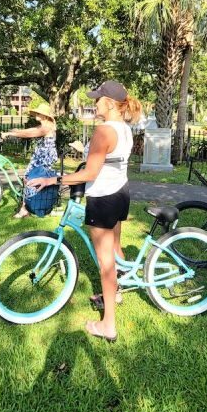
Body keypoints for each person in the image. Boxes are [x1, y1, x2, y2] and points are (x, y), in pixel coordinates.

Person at [28, 81, 142, 342]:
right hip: (120, 194)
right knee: (115, 250)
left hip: (103, 198)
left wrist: (52, 180)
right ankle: (117, 292)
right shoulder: (125, 128)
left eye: (98, 99)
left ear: (110, 104)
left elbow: (90, 173)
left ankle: (108, 326)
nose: (95, 103)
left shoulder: (104, 130)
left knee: (106, 265)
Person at [1, 103, 58, 218]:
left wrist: (10, 133)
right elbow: (30, 130)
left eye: (39, 113)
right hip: (40, 155)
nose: (37, 114)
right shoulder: (43, 126)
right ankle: (26, 207)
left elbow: (29, 134)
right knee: (28, 179)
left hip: (44, 156)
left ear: (45, 116)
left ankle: (28, 208)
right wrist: (14, 131)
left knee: (30, 179)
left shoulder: (47, 127)